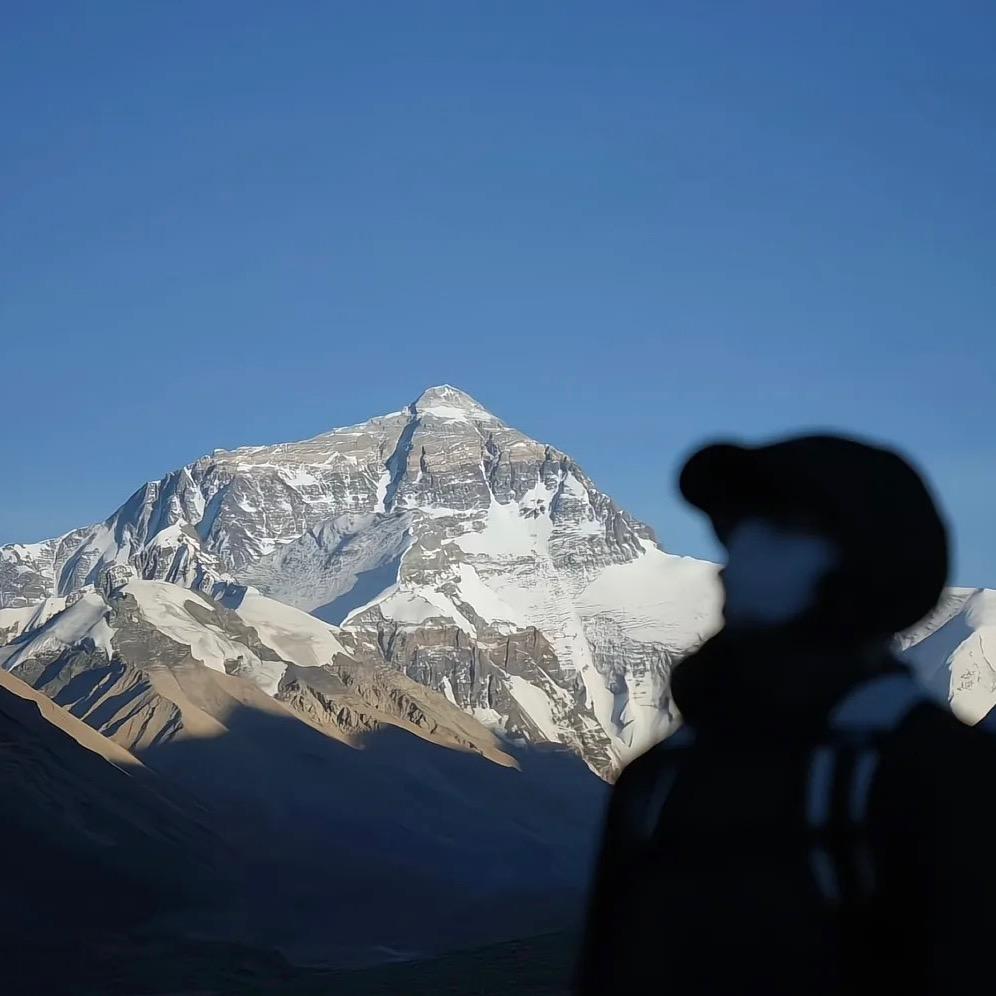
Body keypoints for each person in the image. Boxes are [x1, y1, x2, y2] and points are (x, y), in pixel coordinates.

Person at [574, 434, 996, 996]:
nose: (741, 556)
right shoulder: (657, 778)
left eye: (782, 530)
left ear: (869, 559)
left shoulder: (941, 774)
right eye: (738, 531)